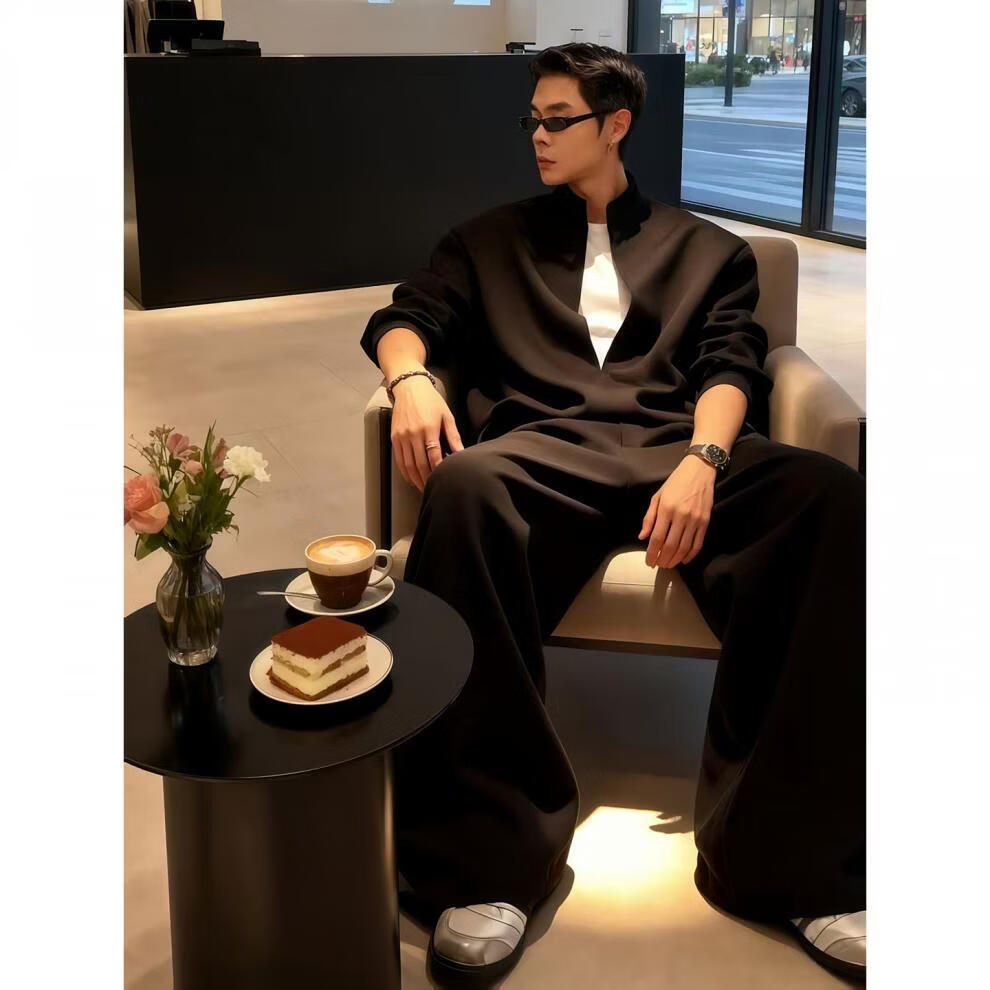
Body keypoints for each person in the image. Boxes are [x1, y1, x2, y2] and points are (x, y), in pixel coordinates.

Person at [360, 43, 865, 987]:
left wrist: (704, 462)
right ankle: (486, 865)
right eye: (533, 120)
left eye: (559, 120)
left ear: (617, 125)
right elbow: (405, 317)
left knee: (829, 498)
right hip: (544, 453)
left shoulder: (708, 250)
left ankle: (797, 862)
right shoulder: (485, 241)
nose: (539, 137)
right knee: (465, 490)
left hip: (676, 451)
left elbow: (733, 366)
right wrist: (412, 379)